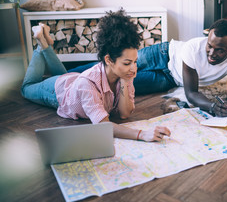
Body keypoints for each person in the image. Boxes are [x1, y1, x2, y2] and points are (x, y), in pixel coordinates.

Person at [21, 9, 170, 142]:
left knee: (63, 74)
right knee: (26, 88)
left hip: (73, 80)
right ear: (108, 60)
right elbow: (103, 125)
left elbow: (125, 115)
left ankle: (44, 40)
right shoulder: (88, 83)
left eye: (135, 62)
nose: (134, 68)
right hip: (57, 92)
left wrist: (126, 79)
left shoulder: (125, 74)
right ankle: (40, 43)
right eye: (127, 63)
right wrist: (142, 134)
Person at [134, 19, 227, 117]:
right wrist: (212, 107)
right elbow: (191, 94)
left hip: (170, 79)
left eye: (219, 50)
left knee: (124, 83)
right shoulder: (192, 48)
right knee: (122, 64)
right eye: (209, 46)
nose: (211, 53)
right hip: (163, 53)